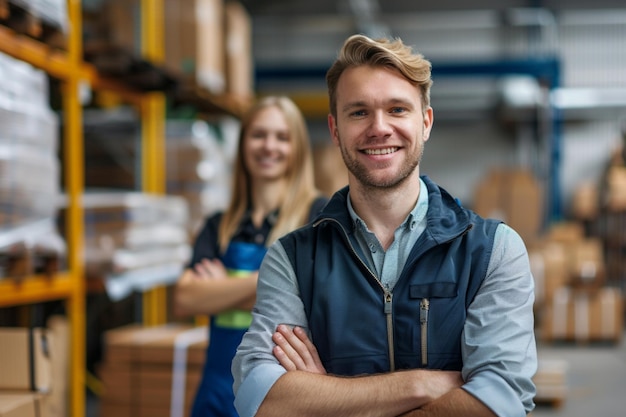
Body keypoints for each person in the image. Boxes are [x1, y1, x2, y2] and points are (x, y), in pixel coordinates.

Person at [232, 34, 537, 417]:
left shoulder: (492, 250)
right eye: (358, 112)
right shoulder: (292, 259)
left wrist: (323, 397)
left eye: (397, 109)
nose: (379, 128)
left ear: (425, 122)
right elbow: (259, 396)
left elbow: (501, 402)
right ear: (335, 129)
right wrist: (421, 384)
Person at [173, 95, 328, 417]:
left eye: (282, 137)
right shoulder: (220, 225)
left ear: (297, 148)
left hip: (285, 388)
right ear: (243, 144)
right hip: (218, 389)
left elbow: (319, 297)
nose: (269, 146)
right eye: (258, 135)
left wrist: (222, 290)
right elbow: (185, 298)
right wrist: (283, 285)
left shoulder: (319, 216)